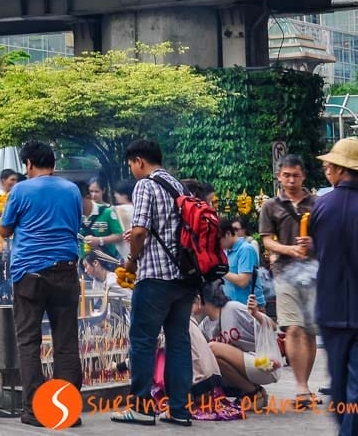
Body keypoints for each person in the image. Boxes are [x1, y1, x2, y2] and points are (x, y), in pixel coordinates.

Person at [0, 140, 84, 427]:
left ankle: (35, 411)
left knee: (29, 342)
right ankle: (67, 411)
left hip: (30, 275)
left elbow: (5, 229)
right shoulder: (72, 190)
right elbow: (75, 226)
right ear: (53, 164)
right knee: (66, 342)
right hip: (66, 272)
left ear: (29, 164)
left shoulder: (20, 189)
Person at [114, 139, 194, 426]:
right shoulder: (177, 185)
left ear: (139, 161)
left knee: (142, 341)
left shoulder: (146, 184)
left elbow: (138, 233)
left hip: (156, 276)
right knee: (179, 342)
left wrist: (131, 260)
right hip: (185, 277)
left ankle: (141, 407)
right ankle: (180, 410)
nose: (132, 171)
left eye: (131, 165)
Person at [311, 138, 358, 433]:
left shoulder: (322, 205)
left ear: (342, 169)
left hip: (330, 312)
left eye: (330, 165)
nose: (327, 169)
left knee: (341, 389)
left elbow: (320, 250)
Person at [259, 154, 320, 406]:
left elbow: (328, 236)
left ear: (303, 175)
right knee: (293, 327)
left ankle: (304, 384)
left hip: (314, 273)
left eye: (296, 175)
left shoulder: (317, 204)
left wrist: (313, 243)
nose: (291, 180)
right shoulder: (270, 206)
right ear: (279, 176)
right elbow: (267, 239)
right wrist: (289, 250)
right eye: (286, 175)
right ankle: (301, 387)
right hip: (284, 273)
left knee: (310, 330)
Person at [194, 281, 278, 401]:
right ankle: (253, 393)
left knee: (212, 347)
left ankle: (251, 391)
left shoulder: (233, 308)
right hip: (246, 369)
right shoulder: (205, 325)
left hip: (265, 364)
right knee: (211, 358)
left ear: (199, 298)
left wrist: (256, 314)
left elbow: (273, 327)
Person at [78, 179, 124, 263]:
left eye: (96, 191)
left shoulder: (108, 211)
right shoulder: (75, 215)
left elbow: (119, 235)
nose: (93, 194)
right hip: (84, 263)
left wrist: (99, 240)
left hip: (106, 261)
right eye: (91, 191)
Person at [220, 218, 262, 305]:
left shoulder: (246, 249)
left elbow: (243, 281)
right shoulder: (228, 252)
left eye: (218, 240)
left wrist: (221, 271)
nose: (218, 245)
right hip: (233, 306)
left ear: (228, 234)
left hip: (248, 308)